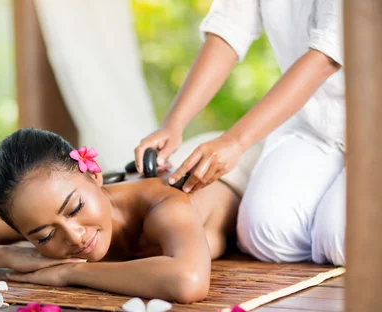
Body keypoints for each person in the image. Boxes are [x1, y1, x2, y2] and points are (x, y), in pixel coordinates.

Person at [0, 128, 247, 303]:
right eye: (43, 237)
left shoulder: (164, 205)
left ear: (94, 174)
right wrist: (5, 255)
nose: (73, 236)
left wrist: (73, 272)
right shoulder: (40, 216)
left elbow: (188, 281)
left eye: (76, 208)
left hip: (243, 168)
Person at [134, 0, 345, 266]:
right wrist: (173, 125)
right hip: (315, 125)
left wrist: (235, 142)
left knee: (340, 238)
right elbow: (227, 30)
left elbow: (326, 57)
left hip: (371, 127)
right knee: (264, 234)